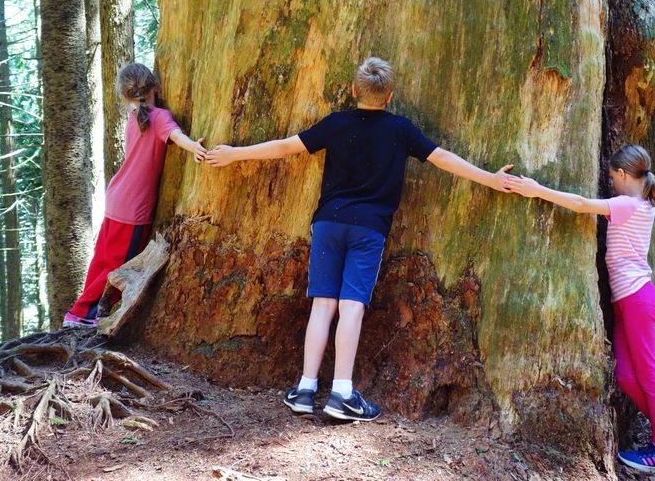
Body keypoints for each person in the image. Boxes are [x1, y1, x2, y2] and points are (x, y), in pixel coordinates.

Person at [205, 56, 514, 421]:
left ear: (354, 91)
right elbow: (443, 158)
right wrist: (491, 179)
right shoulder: (400, 130)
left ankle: (305, 389)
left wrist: (233, 154)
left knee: (323, 304)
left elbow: (286, 146)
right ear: (390, 96)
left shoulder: (337, 124)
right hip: (368, 229)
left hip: (329, 224)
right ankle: (341, 394)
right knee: (351, 306)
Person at [505, 144, 655, 478]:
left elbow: (580, 205)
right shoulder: (642, 202)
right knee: (624, 375)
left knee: (648, 374)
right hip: (628, 301)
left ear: (623, 175)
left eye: (611, 177)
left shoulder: (628, 204)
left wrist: (537, 190)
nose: (610, 183)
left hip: (637, 299)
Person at [62, 63, 207, 328]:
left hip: (117, 198)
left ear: (126, 95)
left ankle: (80, 312)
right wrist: (194, 147)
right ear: (156, 87)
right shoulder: (158, 116)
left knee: (102, 260)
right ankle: (84, 315)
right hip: (133, 209)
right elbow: (176, 135)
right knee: (120, 265)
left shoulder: (135, 118)